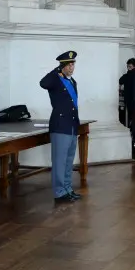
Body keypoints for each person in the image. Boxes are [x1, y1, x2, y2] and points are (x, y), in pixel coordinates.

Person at [39, 51, 82, 203]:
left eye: (73, 64)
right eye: (69, 65)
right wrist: (56, 70)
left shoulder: (72, 81)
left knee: (69, 159)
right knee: (59, 160)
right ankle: (59, 192)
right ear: (62, 66)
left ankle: (68, 189)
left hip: (71, 125)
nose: (72, 68)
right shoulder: (56, 80)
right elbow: (43, 83)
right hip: (60, 125)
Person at [120, 58, 135, 159]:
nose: (129, 69)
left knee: (134, 126)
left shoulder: (131, 75)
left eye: (130, 67)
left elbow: (121, 80)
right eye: (128, 67)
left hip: (132, 104)